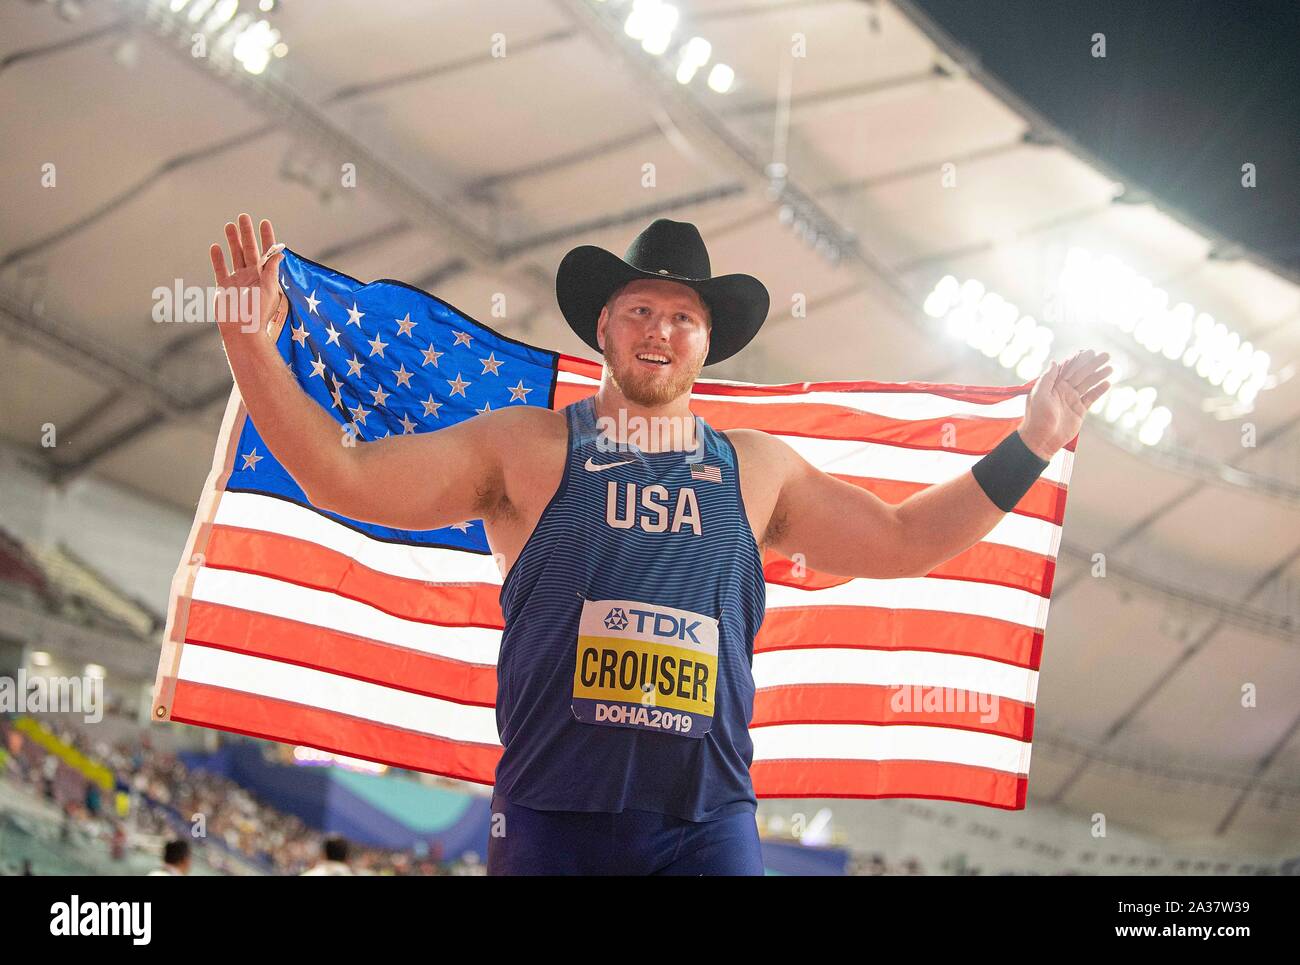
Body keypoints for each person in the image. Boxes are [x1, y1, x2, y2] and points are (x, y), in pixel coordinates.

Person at [209, 214, 1111, 875]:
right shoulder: (523, 448)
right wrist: (252, 347)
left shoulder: (758, 472)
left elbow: (908, 538)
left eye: (682, 318)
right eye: (640, 310)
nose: (660, 331)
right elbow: (344, 476)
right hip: (550, 822)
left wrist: (1033, 439)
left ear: (707, 343)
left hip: (704, 827)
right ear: (602, 328)